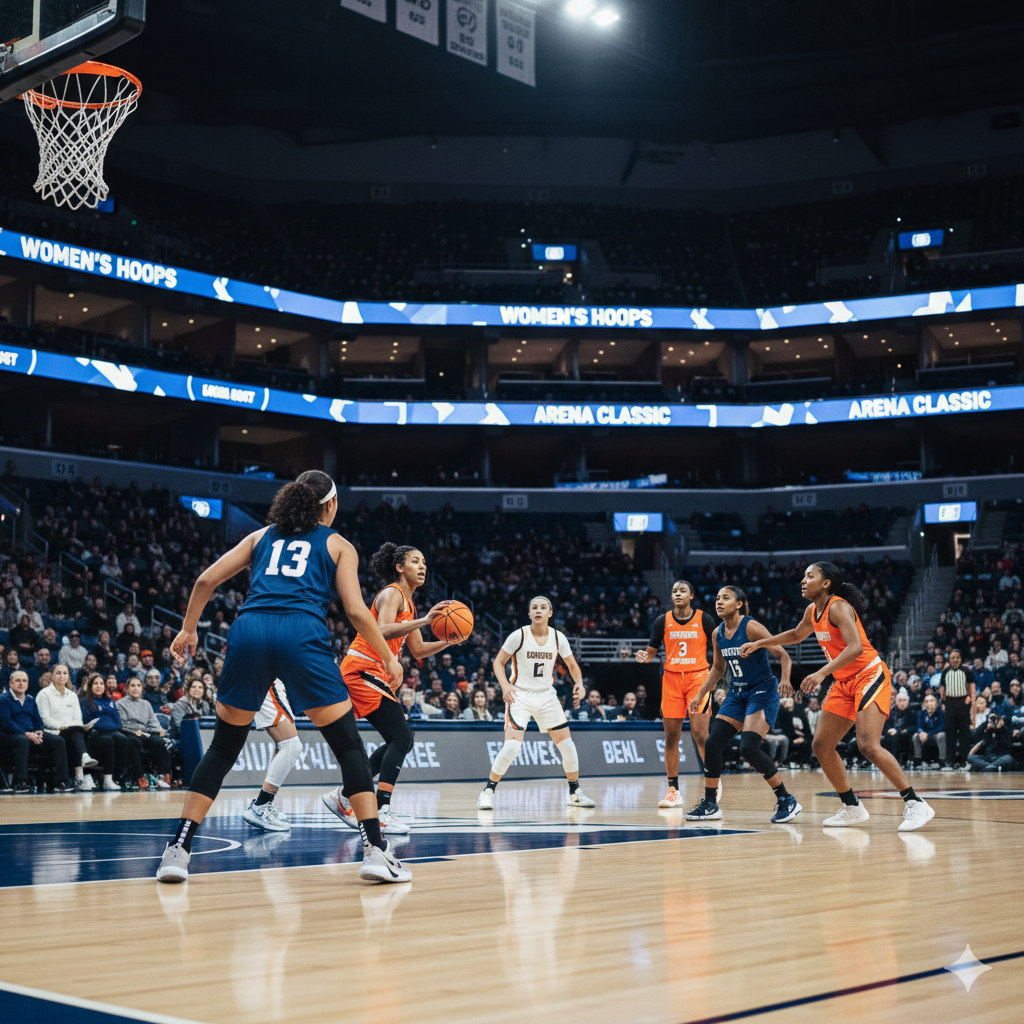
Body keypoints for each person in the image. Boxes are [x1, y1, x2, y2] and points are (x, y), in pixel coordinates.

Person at [156, 470, 410, 885]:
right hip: (300, 633)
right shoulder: (338, 545)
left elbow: (205, 580)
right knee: (348, 746)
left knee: (222, 748)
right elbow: (356, 611)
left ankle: (177, 851)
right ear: (329, 505)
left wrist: (188, 629)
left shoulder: (261, 536)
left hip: (250, 629)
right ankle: (376, 853)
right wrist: (388, 658)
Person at [739, 561, 934, 832]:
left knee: (867, 744)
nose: (803, 581)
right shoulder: (812, 610)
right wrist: (761, 642)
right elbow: (797, 634)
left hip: (869, 674)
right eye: (803, 576)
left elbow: (855, 648)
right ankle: (852, 806)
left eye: (810, 576)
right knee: (821, 745)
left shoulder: (839, 607)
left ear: (826, 583)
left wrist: (820, 674)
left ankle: (915, 802)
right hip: (844, 681)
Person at [325, 543, 453, 837]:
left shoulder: (410, 603)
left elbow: (418, 650)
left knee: (403, 739)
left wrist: (447, 641)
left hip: (374, 670)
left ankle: (344, 796)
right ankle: (380, 810)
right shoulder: (391, 593)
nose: (422, 566)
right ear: (399, 567)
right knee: (401, 736)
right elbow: (380, 630)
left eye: (424, 562)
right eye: (415, 561)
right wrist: (423, 621)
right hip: (363, 666)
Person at [685, 586, 799, 824]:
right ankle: (710, 804)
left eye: (725, 598)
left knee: (748, 747)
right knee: (713, 743)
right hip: (737, 694)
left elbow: (783, 655)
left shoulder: (751, 626)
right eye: (717, 598)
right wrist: (700, 694)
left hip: (762, 691)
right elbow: (718, 669)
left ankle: (787, 799)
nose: (719, 602)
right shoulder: (717, 633)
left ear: (739, 604)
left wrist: (786, 679)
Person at [477, 595, 593, 811]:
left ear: (550, 613)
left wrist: (580, 684)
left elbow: (573, 665)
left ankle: (575, 792)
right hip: (519, 695)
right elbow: (498, 663)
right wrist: (505, 686)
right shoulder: (518, 635)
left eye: (543, 607)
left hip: (547, 696)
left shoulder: (558, 638)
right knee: (511, 747)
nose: (538, 610)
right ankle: (488, 791)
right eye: (534, 607)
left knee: (568, 746)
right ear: (529, 613)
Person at [636, 579, 717, 809]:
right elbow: (652, 653)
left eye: (682, 591)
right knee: (671, 737)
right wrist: (644, 656)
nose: (677, 594)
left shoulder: (705, 619)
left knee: (701, 736)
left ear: (691, 596)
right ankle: (673, 790)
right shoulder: (663, 621)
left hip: (698, 679)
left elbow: (718, 650)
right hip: (671, 680)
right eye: (674, 591)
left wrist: (714, 681)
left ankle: (712, 785)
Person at [242, 680, 303, 833]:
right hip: (268, 678)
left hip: (268, 679)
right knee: (291, 745)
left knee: (283, 744)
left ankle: (264, 803)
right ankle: (260, 807)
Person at [0, 670, 70, 793]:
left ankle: (61, 781)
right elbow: (7, 723)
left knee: (58, 741)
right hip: (10, 736)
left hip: (31, 734)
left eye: (24, 681)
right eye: (18, 681)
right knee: (22, 740)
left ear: (27, 684)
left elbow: (38, 720)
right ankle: (21, 782)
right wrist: (27, 734)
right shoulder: (3, 699)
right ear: (11, 684)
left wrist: (39, 731)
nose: (21, 683)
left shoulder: (30, 699)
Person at [36, 663, 99, 790]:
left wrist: (73, 726)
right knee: (75, 733)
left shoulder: (72, 695)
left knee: (86, 733)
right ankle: (81, 773)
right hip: (52, 731)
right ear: (52, 676)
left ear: (68, 676)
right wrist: (62, 727)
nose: (61, 676)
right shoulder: (44, 694)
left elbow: (77, 718)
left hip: (71, 730)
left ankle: (82, 775)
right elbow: (45, 719)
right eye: (58, 673)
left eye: (65, 673)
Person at [79, 672, 134, 791]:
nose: (99, 686)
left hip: (111, 731)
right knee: (108, 740)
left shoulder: (110, 701)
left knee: (124, 740)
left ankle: (116, 775)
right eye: (95, 684)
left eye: (101, 684)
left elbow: (117, 721)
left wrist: (111, 727)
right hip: (94, 733)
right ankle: (107, 779)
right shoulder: (85, 701)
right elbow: (87, 720)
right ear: (90, 686)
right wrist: (106, 727)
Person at [117, 677, 173, 789]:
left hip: (145, 734)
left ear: (142, 688)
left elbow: (153, 722)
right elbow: (122, 724)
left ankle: (164, 775)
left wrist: (160, 731)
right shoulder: (120, 704)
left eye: (138, 686)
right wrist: (135, 731)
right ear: (127, 689)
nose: (136, 688)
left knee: (160, 742)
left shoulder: (146, 704)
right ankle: (140, 776)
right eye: (132, 686)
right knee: (134, 742)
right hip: (130, 733)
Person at [939, 651, 974, 770]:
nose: (955, 660)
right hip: (950, 702)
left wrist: (971, 702)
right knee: (950, 733)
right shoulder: (945, 672)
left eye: (957, 657)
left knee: (964, 732)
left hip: (962, 701)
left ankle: (965, 760)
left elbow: (971, 688)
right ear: (949, 659)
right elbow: (942, 688)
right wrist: (943, 702)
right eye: (952, 658)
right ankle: (950, 760)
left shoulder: (966, 671)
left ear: (960, 659)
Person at [882, 689, 916, 765]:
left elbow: (914, 727)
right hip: (891, 734)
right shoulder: (891, 712)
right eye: (899, 701)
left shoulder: (912, 712)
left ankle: (894, 761)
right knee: (886, 737)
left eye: (904, 701)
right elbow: (885, 726)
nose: (901, 703)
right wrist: (889, 730)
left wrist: (900, 731)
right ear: (896, 702)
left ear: (908, 702)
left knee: (896, 737)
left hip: (905, 735)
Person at [914, 694, 946, 768]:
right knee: (915, 736)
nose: (929, 703)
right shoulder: (921, 713)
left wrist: (927, 734)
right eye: (926, 701)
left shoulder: (941, 713)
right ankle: (918, 761)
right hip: (924, 736)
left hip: (935, 734)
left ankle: (942, 761)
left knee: (941, 735)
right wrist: (921, 732)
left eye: (931, 701)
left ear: (936, 703)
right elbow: (919, 726)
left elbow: (941, 727)